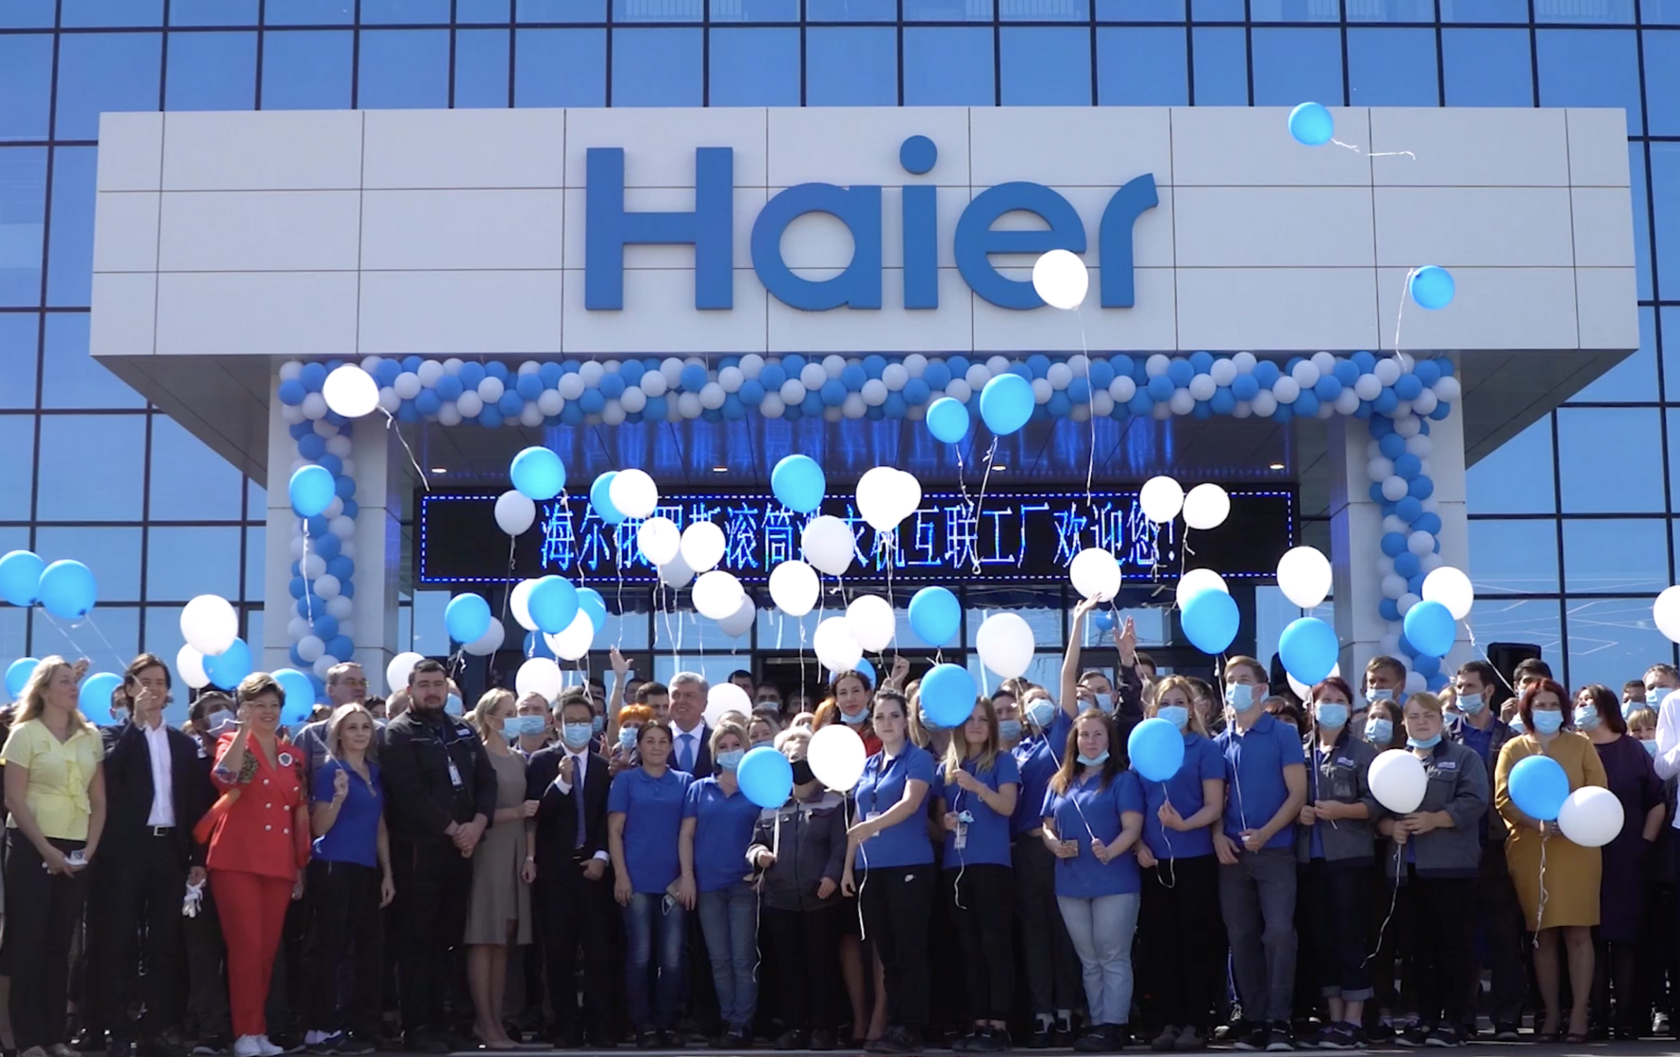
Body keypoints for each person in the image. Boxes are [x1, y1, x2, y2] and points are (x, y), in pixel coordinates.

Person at [92, 653, 209, 1057]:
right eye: (145, 682)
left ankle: (154, 1030)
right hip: (124, 852)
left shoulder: (182, 743)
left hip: (168, 850)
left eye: (160, 682)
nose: (154, 690)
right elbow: (109, 774)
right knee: (119, 940)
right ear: (129, 689)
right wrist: (137, 725)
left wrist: (197, 857)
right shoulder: (111, 735)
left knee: (163, 943)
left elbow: (194, 804)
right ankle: (116, 1030)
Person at [380, 659, 497, 1055]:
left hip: (463, 850)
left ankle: (443, 1021)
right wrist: (453, 829)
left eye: (438, 685)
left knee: (448, 941)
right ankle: (416, 1028)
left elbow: (487, 781)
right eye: (424, 685)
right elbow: (408, 793)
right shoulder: (398, 733)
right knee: (418, 941)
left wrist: (477, 824)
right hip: (420, 852)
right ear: (410, 690)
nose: (432, 691)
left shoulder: (462, 729)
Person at [203, 673, 311, 1057]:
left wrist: (299, 865)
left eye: (273, 705)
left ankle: (258, 1029)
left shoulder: (291, 755)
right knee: (246, 948)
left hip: (278, 862)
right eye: (258, 705)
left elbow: (298, 813)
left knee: (266, 950)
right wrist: (243, 731)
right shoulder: (233, 743)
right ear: (244, 709)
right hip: (237, 859)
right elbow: (225, 778)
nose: (268, 712)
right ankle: (244, 1031)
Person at [3, 657, 106, 1057]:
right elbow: (14, 798)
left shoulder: (90, 736)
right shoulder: (24, 733)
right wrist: (47, 850)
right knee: (28, 943)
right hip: (31, 847)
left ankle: (53, 1036)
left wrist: (89, 849)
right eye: (63, 681)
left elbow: (99, 799)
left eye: (73, 681)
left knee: (60, 945)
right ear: (44, 691)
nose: (73, 687)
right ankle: (28, 1040)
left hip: (77, 847)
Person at [1495, 678, 1607, 1043]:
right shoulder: (1514, 748)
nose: (1547, 712)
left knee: (1578, 932)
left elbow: (1598, 791)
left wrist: (1573, 819)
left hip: (1577, 847)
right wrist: (1536, 823)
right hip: (1532, 847)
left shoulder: (1581, 745)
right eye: (1539, 705)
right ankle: (1551, 1013)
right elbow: (1503, 799)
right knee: (1542, 934)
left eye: (1553, 705)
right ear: (1528, 710)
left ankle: (1579, 1013)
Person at [1377, 692, 1487, 1048]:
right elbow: (1377, 809)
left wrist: (1436, 819)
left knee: (1453, 946)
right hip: (1406, 871)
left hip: (1450, 868)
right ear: (1404, 722)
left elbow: (1475, 801)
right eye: (1413, 716)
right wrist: (1389, 827)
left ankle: (1455, 1021)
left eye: (1428, 715)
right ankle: (1425, 1019)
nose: (1421, 722)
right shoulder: (1393, 761)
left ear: (1441, 720)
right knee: (1417, 950)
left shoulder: (1463, 757)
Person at [1213, 656, 1307, 1052]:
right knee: (1241, 936)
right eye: (1229, 679)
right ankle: (1253, 1019)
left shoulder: (1282, 735)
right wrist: (1217, 835)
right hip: (1233, 858)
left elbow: (1297, 794)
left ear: (1260, 688)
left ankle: (1279, 1019)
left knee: (1280, 933)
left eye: (1242, 679)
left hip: (1276, 853)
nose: (1234, 686)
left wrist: (1267, 833)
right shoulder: (1219, 743)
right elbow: (1215, 800)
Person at [1039, 709, 1145, 1053]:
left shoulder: (1123, 780)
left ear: (1110, 740)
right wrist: (1054, 844)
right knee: (1089, 959)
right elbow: (1047, 826)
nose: (1090, 741)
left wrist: (1110, 851)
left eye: (1098, 734)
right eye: (1084, 734)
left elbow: (1132, 827)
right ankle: (1098, 1023)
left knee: (1113, 954)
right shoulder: (1061, 781)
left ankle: (1115, 1024)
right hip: (1071, 883)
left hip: (1115, 881)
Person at [842, 690, 936, 1054]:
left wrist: (873, 826)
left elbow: (911, 803)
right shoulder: (868, 765)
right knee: (888, 954)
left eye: (894, 715)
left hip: (909, 865)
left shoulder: (919, 758)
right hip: (871, 869)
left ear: (906, 719)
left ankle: (911, 1027)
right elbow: (857, 818)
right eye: (880, 716)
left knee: (910, 949)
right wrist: (848, 866)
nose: (887, 723)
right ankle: (895, 1023)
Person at [1135, 676, 1225, 1053]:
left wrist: (1184, 825)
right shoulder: (1143, 747)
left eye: (1179, 701)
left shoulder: (1205, 749)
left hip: (1195, 860)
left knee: (1196, 943)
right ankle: (1166, 1021)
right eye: (1165, 702)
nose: (1172, 708)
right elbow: (1134, 806)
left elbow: (1214, 805)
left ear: (1191, 708)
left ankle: (1196, 1022)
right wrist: (1138, 843)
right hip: (1154, 862)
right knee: (1161, 944)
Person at [748, 727, 847, 1052]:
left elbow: (841, 844)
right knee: (788, 968)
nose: (798, 762)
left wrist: (831, 876)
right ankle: (795, 1027)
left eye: (804, 755)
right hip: (780, 901)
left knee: (821, 966)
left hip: (820, 899)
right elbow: (755, 844)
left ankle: (823, 1028)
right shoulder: (770, 804)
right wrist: (758, 856)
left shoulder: (833, 800)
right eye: (792, 757)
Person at [526, 691, 616, 1048]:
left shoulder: (602, 766)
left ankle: (599, 1024)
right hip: (555, 873)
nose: (578, 727)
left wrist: (602, 856)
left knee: (599, 952)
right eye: (571, 721)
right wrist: (562, 783)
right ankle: (565, 1025)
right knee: (558, 952)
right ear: (556, 723)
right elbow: (538, 814)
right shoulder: (541, 762)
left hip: (595, 870)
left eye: (584, 721)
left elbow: (607, 817)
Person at [1576, 684, 1665, 1039]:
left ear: (1607, 708)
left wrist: (1644, 843)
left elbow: (1656, 801)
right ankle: (1597, 1017)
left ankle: (1627, 1018)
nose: (1583, 707)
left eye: (1590, 702)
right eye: (1580, 702)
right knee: (1592, 940)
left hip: (1628, 857)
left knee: (1625, 940)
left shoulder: (1632, 750)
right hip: (1582, 858)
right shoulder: (1574, 749)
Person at [1294, 677, 1377, 1051]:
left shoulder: (1362, 752)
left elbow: (1377, 803)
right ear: (1311, 708)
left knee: (1350, 937)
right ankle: (1334, 1017)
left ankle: (1354, 1020)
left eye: (1339, 700)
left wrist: (1344, 810)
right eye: (1324, 700)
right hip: (1309, 858)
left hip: (1350, 858)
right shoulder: (1300, 751)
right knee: (1323, 939)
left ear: (1349, 708)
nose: (1330, 706)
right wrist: (1299, 813)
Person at [1443, 660, 1524, 1040]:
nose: (1463, 694)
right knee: (1462, 936)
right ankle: (1462, 1017)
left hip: (1499, 845)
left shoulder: (1511, 738)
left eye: (1469, 687)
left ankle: (1506, 1018)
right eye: (1459, 687)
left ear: (1489, 691)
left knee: (1504, 934)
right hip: (1456, 845)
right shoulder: (1446, 737)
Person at [305, 704, 391, 1056]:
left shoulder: (375, 771)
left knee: (360, 949)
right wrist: (339, 799)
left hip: (366, 868)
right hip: (333, 866)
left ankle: (350, 1023)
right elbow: (318, 827)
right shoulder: (330, 771)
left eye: (365, 727)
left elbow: (380, 826)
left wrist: (388, 873)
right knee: (331, 948)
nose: (359, 733)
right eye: (352, 727)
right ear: (339, 733)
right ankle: (321, 1028)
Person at [937, 698, 1020, 1053]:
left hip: (992, 864)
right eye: (969, 719)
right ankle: (978, 1021)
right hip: (956, 866)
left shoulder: (1002, 761)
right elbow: (939, 817)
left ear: (992, 726)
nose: (975, 725)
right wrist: (945, 821)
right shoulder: (947, 767)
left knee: (994, 944)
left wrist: (978, 788)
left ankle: (999, 1025)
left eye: (983, 720)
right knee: (969, 947)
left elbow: (1007, 806)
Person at [608, 721, 693, 1047]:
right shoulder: (626, 781)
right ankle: (641, 1024)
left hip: (673, 882)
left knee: (671, 958)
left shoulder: (685, 782)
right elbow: (615, 831)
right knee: (640, 955)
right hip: (637, 881)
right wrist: (621, 874)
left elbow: (689, 833)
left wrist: (686, 876)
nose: (656, 747)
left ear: (671, 747)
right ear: (639, 746)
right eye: (650, 741)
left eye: (662, 741)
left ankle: (666, 1023)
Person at [678, 721, 763, 1048]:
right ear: (715, 753)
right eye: (723, 747)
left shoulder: (757, 787)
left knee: (743, 958)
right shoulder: (699, 789)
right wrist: (687, 876)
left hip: (744, 884)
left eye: (735, 745)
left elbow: (769, 833)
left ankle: (743, 1023)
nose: (730, 751)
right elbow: (686, 835)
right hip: (708, 886)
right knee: (719, 959)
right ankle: (729, 1020)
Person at [460, 690, 534, 1050]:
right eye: (509, 712)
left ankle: (497, 1022)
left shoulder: (519, 759)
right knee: (484, 935)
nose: (516, 718)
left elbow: (530, 813)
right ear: (490, 718)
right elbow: (476, 810)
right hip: (488, 850)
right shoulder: (478, 757)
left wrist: (529, 855)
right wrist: (515, 813)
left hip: (515, 851)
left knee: (503, 939)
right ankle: (484, 1022)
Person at [1011, 687, 1084, 1048]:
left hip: (1057, 848)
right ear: (1022, 713)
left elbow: (1068, 682)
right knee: (1034, 936)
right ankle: (1042, 1015)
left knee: (1063, 933)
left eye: (1044, 698)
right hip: (1025, 851)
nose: (1038, 704)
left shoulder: (1060, 736)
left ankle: (1066, 1012)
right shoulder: (1016, 751)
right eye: (1030, 700)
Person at [292, 663, 368, 791]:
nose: (359, 688)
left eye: (363, 683)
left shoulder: (379, 733)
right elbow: (298, 786)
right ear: (331, 690)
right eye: (351, 682)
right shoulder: (311, 736)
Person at [814, 670, 880, 755]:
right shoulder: (829, 738)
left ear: (868, 695)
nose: (850, 698)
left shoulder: (881, 732)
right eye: (843, 693)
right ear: (836, 700)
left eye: (856, 691)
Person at [667, 673, 714, 778]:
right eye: (676, 695)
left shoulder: (717, 740)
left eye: (689, 696)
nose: (681, 701)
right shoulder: (655, 739)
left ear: (704, 704)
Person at [512, 692, 554, 757]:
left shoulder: (560, 759)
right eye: (524, 710)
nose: (530, 714)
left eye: (537, 710)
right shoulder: (504, 759)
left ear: (549, 719)